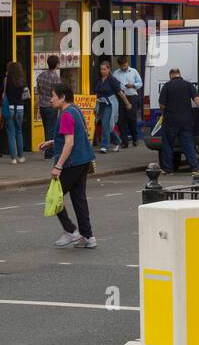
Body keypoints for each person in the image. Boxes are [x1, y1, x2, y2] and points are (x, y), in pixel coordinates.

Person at [39, 81, 96, 249]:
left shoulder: (65, 115)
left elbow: (69, 143)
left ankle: (71, 231)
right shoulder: (75, 110)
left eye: (54, 97)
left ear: (63, 98)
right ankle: (88, 236)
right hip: (84, 160)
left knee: (53, 196)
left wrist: (58, 166)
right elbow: (75, 135)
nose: (51, 100)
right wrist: (52, 142)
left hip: (71, 163)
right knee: (79, 199)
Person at [158, 67, 199, 176]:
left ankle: (168, 169)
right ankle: (195, 168)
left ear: (170, 75)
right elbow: (196, 98)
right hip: (186, 120)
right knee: (188, 145)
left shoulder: (167, 86)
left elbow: (162, 104)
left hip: (170, 121)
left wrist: (164, 111)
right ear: (179, 74)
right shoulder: (187, 85)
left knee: (167, 144)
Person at [94, 59, 131, 153]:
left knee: (106, 124)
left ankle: (104, 146)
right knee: (106, 125)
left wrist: (127, 103)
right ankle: (117, 141)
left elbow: (120, 93)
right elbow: (96, 93)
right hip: (101, 104)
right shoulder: (98, 79)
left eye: (104, 69)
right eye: (101, 69)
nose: (102, 71)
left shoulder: (112, 80)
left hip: (110, 103)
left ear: (108, 69)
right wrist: (95, 106)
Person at [1, 61, 29, 164]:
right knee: (19, 131)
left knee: (11, 133)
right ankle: (21, 156)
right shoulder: (23, 80)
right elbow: (26, 95)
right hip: (20, 108)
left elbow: (2, 93)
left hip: (10, 108)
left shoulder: (6, 80)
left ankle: (13, 158)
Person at [113, 56, 143, 147]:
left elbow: (140, 83)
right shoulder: (116, 73)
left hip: (132, 97)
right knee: (121, 120)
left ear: (127, 63)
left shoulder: (134, 71)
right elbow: (114, 85)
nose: (123, 67)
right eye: (121, 66)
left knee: (131, 119)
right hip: (120, 98)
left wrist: (133, 85)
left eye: (124, 65)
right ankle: (124, 141)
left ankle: (135, 138)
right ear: (119, 65)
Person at [35, 55, 62, 145]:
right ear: (57, 65)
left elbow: (38, 90)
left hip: (42, 105)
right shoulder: (56, 78)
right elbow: (58, 93)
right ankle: (49, 152)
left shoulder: (41, 75)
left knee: (46, 129)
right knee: (52, 129)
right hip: (51, 106)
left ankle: (47, 150)